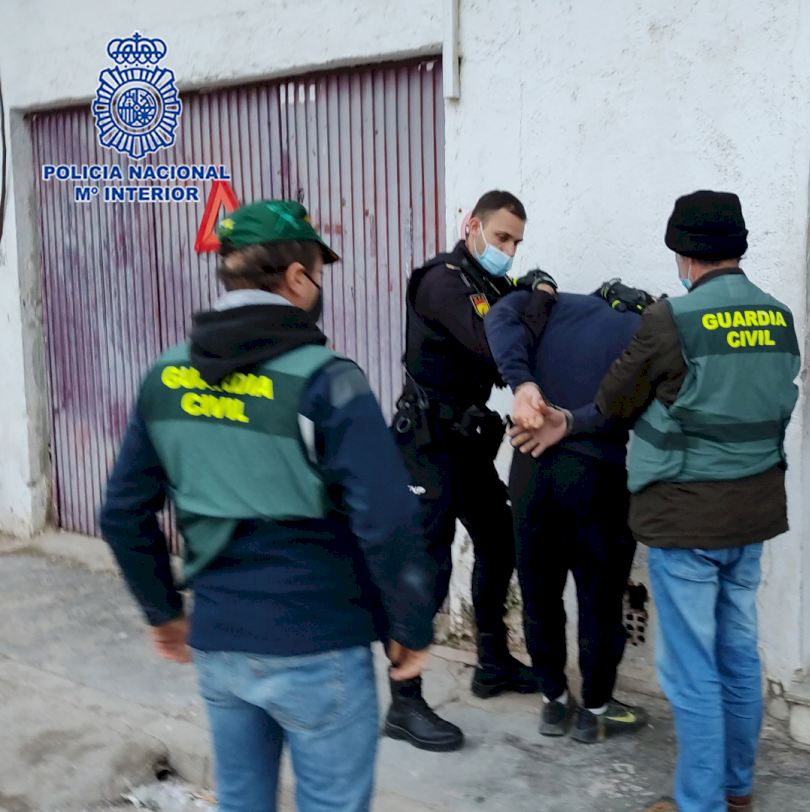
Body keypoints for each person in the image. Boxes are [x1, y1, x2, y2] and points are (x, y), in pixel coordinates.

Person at [99, 200, 437, 812]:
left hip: (221, 645)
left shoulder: (165, 377)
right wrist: (409, 626)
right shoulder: (327, 381)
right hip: (320, 647)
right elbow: (387, 518)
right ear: (298, 280)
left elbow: (122, 512)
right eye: (319, 276)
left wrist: (163, 612)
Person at [509, 191, 800, 812]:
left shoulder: (673, 320)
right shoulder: (779, 316)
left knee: (692, 669)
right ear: (740, 247)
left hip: (685, 519)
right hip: (752, 516)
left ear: (681, 253)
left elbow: (615, 400)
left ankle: (700, 802)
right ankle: (736, 789)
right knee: (737, 655)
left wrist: (563, 421)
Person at [386, 190, 558, 752]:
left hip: (465, 442)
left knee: (498, 540)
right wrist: (537, 294)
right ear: (473, 226)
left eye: (516, 243)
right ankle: (404, 704)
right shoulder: (442, 282)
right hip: (425, 446)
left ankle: (492, 662)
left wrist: (536, 296)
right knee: (426, 572)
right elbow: (493, 346)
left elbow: (523, 341)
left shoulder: (492, 286)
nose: (508, 250)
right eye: (502, 237)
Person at [485, 280, 658, 743]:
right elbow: (634, 407)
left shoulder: (550, 305)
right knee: (600, 601)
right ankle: (596, 710)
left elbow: (497, 315)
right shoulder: (646, 328)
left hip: (530, 469)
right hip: (597, 477)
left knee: (539, 595)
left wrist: (522, 384)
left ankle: (554, 702)